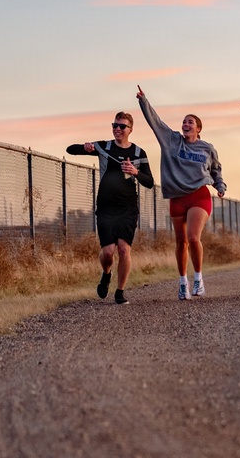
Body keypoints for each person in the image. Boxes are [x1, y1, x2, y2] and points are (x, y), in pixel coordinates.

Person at [136, 86, 226, 301]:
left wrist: (220, 185)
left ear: (198, 129)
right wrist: (143, 101)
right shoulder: (171, 141)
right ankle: (183, 282)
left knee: (193, 237)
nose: (186, 125)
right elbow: (155, 122)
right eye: (184, 122)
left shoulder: (206, 148)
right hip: (177, 198)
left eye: (190, 122)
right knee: (180, 242)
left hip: (199, 195)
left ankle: (198, 279)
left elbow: (216, 170)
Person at [66, 112, 155, 305]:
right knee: (108, 253)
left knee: (123, 250)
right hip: (106, 207)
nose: (117, 129)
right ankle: (106, 274)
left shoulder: (139, 153)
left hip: (128, 208)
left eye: (122, 126)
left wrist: (135, 172)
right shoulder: (104, 147)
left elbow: (149, 182)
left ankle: (120, 291)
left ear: (130, 129)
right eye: (115, 125)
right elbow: (70, 149)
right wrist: (87, 147)